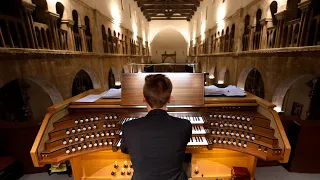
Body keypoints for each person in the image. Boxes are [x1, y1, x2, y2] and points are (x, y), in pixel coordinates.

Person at [120, 74, 192, 180]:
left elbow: (125, 149)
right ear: (169, 99)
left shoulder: (128, 127)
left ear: (144, 98)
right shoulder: (184, 125)